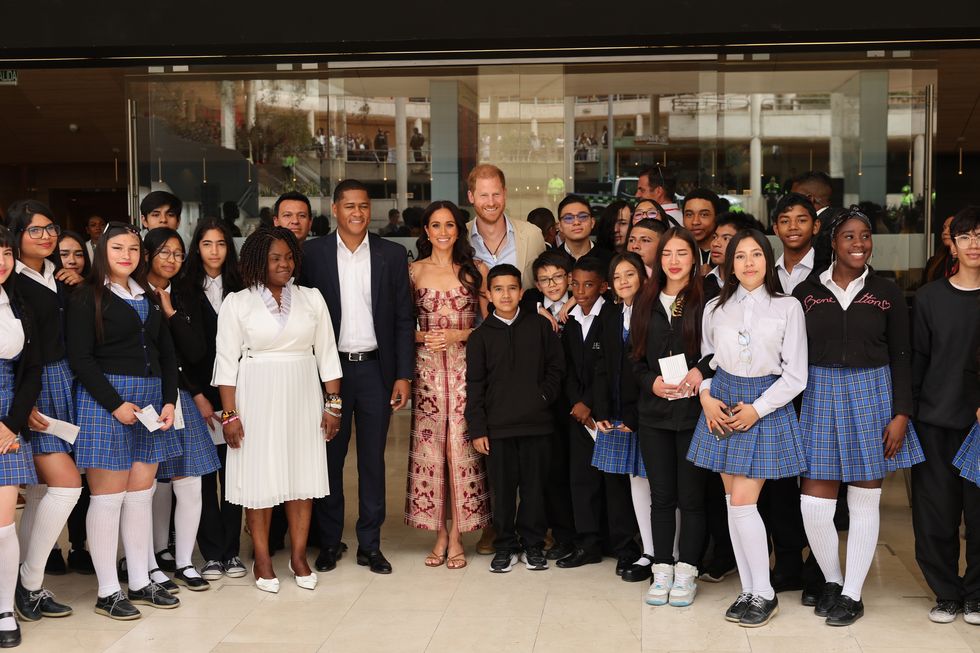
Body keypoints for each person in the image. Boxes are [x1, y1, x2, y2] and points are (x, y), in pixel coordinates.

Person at [793, 209, 924, 626]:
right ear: (832, 241)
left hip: (874, 392)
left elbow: (903, 355)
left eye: (865, 236)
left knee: (864, 496)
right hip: (818, 393)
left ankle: (852, 593)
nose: (859, 243)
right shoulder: (806, 291)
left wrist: (901, 412)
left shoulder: (887, 291)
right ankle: (832, 580)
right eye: (849, 236)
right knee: (815, 499)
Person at [686, 229, 808, 627]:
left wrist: (757, 409)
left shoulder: (788, 307)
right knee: (731, 504)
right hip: (721, 404)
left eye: (757, 255)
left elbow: (796, 375)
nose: (749, 263)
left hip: (763, 406)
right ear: (730, 264)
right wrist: (705, 395)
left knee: (743, 504)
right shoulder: (714, 309)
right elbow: (708, 361)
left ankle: (766, 592)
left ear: (767, 261)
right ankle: (750, 589)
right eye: (741, 256)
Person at [213, 226, 342, 593]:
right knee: (260, 480)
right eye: (274, 258)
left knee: (302, 478)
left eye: (288, 257)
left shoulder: (312, 298)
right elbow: (226, 364)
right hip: (256, 395)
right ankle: (263, 558)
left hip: (303, 392)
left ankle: (299, 557)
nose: (284, 264)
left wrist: (333, 406)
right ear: (257, 262)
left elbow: (328, 355)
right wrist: (230, 414)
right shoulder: (237, 303)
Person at [299, 179, 414, 575]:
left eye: (363, 206)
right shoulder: (311, 254)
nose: (357, 213)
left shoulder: (392, 255)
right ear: (334, 209)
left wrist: (403, 375)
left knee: (372, 461)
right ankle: (330, 542)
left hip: (375, 372)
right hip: (330, 375)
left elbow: (403, 318)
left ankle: (370, 543)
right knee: (330, 457)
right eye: (349, 206)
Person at [68, 220, 181, 620]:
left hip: (151, 401)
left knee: (140, 496)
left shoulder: (148, 296)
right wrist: (114, 403)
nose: (126, 256)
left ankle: (139, 580)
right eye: (118, 248)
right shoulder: (88, 296)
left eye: (133, 249)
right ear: (102, 251)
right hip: (105, 402)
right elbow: (81, 359)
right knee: (108, 497)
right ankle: (107, 591)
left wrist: (170, 401)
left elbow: (167, 353)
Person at [6, 201, 82, 623]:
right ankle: (29, 584)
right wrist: (24, 400)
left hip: (66, 380)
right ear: (16, 236)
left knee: (38, 489)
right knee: (66, 484)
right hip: (34, 387)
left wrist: (78, 282)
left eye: (51, 228)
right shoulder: (10, 279)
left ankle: (21, 583)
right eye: (35, 231)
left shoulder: (58, 275)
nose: (47, 236)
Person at [405, 201, 492, 570]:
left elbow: (491, 329)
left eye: (450, 225)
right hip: (426, 374)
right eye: (436, 225)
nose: (443, 232)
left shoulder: (477, 271)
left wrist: (459, 333)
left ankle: (458, 535)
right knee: (432, 452)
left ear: (460, 230)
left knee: (461, 449)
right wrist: (423, 337)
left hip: (465, 372)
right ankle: (439, 533)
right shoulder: (411, 272)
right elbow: (400, 326)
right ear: (426, 230)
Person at [630, 229, 712, 605]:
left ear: (694, 258)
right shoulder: (644, 301)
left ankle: (687, 571)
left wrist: (702, 370)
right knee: (661, 496)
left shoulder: (706, 299)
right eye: (667, 253)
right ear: (658, 259)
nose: (674, 260)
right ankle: (662, 568)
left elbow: (720, 349)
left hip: (696, 412)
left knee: (692, 497)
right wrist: (652, 383)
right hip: (655, 414)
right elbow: (632, 361)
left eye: (682, 253)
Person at [465, 263, 564, 572]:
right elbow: (475, 385)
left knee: (535, 488)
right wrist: (478, 428)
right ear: (489, 295)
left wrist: (542, 397)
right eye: (498, 289)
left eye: (511, 288)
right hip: (498, 429)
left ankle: (533, 544)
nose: (505, 294)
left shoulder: (538, 326)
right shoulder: (480, 337)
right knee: (503, 491)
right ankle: (505, 544)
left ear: (522, 292)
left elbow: (556, 369)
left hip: (536, 424)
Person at [143, 228, 223, 592]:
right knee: (147, 484)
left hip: (181, 396)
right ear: (147, 254)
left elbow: (196, 351)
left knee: (189, 480)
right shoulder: (130, 292)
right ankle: (152, 556)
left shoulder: (188, 293)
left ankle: (186, 561)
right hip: (145, 394)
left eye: (177, 253)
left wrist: (172, 312)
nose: (172, 260)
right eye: (164, 252)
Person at [911, 206, 980, 624]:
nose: (975, 244)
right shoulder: (929, 298)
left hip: (979, 426)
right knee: (935, 512)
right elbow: (918, 361)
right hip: (935, 421)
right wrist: (910, 417)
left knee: (979, 514)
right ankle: (947, 593)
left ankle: (976, 594)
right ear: (951, 243)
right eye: (967, 236)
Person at [558, 257, 638, 571]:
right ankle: (588, 543)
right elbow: (563, 368)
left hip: (607, 411)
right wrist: (576, 404)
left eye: (588, 284)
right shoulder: (571, 320)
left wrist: (591, 403)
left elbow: (609, 366)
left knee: (615, 483)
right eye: (575, 283)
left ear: (604, 286)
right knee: (582, 480)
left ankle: (623, 545)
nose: (580, 290)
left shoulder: (615, 316)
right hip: (579, 414)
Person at [179, 218, 246, 582]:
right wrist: (198, 395)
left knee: (234, 474)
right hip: (200, 396)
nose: (215, 251)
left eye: (221, 243)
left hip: (238, 393)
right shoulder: (183, 288)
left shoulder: (244, 286)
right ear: (197, 248)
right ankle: (212, 554)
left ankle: (233, 551)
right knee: (206, 476)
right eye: (207, 244)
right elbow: (177, 350)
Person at [591, 252, 653, 583]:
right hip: (615, 414)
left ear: (643, 278)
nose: (624, 281)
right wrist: (602, 409)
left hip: (646, 413)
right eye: (618, 277)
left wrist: (633, 412)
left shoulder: (653, 312)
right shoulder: (611, 314)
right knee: (632, 482)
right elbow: (601, 366)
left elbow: (650, 370)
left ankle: (661, 552)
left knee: (655, 482)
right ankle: (646, 551)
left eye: (631, 274)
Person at [0, 225, 44, 648]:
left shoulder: (18, 304)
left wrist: (11, 423)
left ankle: (2, 609)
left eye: (5, 253)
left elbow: (31, 372)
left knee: (2, 525)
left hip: (7, 416)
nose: (1, 262)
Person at [466, 164, 546, 289]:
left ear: (505, 193)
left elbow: (545, 286)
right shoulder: (460, 237)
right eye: (484, 195)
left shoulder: (532, 235)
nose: (491, 202)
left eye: (496, 194)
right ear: (471, 197)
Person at [790, 171, 838, 272]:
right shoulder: (838, 219)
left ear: (809, 199)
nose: (789, 203)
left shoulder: (826, 228)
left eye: (793, 198)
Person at [556, 194, 614, 271]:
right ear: (560, 226)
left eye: (583, 216)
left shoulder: (610, 260)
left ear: (592, 222)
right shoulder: (552, 260)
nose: (576, 222)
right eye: (568, 218)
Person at [706, 213, 757, 297]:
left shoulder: (754, 286)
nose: (715, 243)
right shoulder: (703, 282)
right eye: (715, 237)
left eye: (726, 238)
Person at [682, 188, 722, 266]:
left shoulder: (728, 255)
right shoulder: (675, 255)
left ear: (716, 217)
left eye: (704, 215)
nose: (695, 222)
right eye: (689, 215)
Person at [924, 215, 957, 282]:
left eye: (951, 228)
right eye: (944, 228)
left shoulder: (970, 261)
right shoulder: (933, 262)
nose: (944, 232)